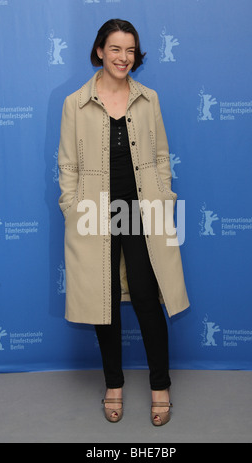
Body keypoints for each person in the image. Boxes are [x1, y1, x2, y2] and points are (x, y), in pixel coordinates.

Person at [58, 19, 189, 426]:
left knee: (149, 298)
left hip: (140, 212)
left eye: (130, 50)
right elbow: (67, 165)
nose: (123, 58)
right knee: (104, 301)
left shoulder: (148, 99)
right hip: (93, 215)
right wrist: (73, 207)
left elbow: (163, 156)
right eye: (115, 49)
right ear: (100, 51)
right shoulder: (74, 103)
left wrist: (164, 198)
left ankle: (160, 385)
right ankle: (113, 384)